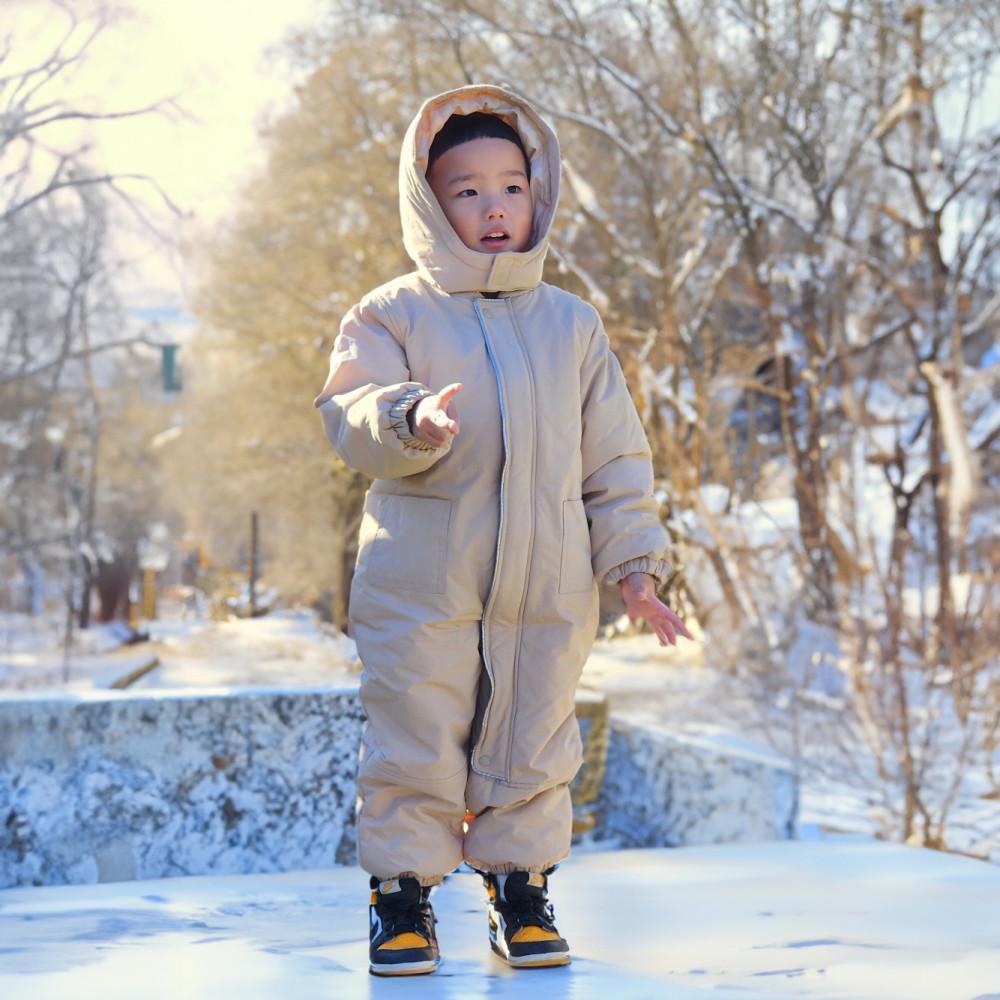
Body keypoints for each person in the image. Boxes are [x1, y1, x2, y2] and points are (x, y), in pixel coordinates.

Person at [313, 83, 694, 977]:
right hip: (423, 583)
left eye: (511, 186)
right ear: (429, 204)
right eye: (468, 190)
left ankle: (520, 888)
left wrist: (635, 566)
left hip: (547, 584)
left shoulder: (572, 325)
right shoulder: (391, 313)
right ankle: (401, 897)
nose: (493, 207)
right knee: (414, 734)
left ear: (538, 194)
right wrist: (410, 418)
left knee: (536, 735)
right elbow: (350, 411)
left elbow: (615, 460)